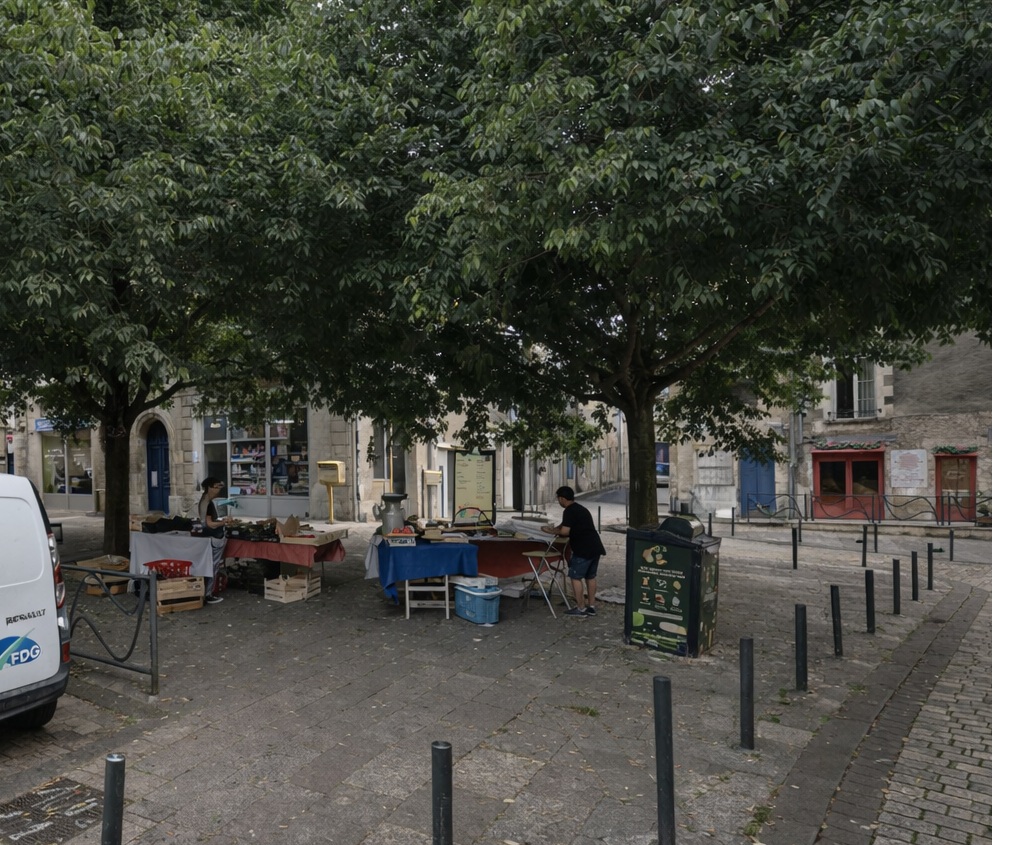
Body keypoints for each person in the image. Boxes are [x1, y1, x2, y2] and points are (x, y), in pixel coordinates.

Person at [541, 486, 606, 618]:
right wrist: (557, 528)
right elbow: (567, 525)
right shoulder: (580, 509)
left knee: (575, 577)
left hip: (583, 549)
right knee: (590, 576)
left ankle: (581, 608)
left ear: (562, 499)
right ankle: (591, 607)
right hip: (595, 546)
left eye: (558, 499)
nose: (558, 502)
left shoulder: (569, 511)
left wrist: (551, 531)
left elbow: (565, 532)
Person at [196, 476, 231, 605]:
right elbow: (210, 523)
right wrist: (223, 523)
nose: (218, 490)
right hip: (213, 537)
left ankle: (206, 593)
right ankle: (208, 594)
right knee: (213, 566)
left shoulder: (204, 500)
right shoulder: (209, 503)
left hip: (208, 536)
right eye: (216, 487)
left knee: (209, 566)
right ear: (209, 488)